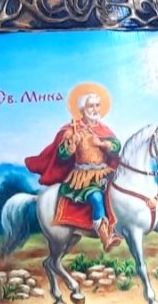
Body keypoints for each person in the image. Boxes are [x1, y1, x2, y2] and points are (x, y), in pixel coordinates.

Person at [25, 83, 122, 251]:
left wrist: (104, 144)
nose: (95, 109)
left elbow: (116, 146)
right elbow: (61, 154)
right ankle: (105, 237)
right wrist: (70, 147)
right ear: (82, 109)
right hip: (83, 177)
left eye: (97, 105)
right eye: (91, 106)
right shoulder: (72, 130)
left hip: (106, 172)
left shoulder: (103, 129)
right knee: (96, 197)